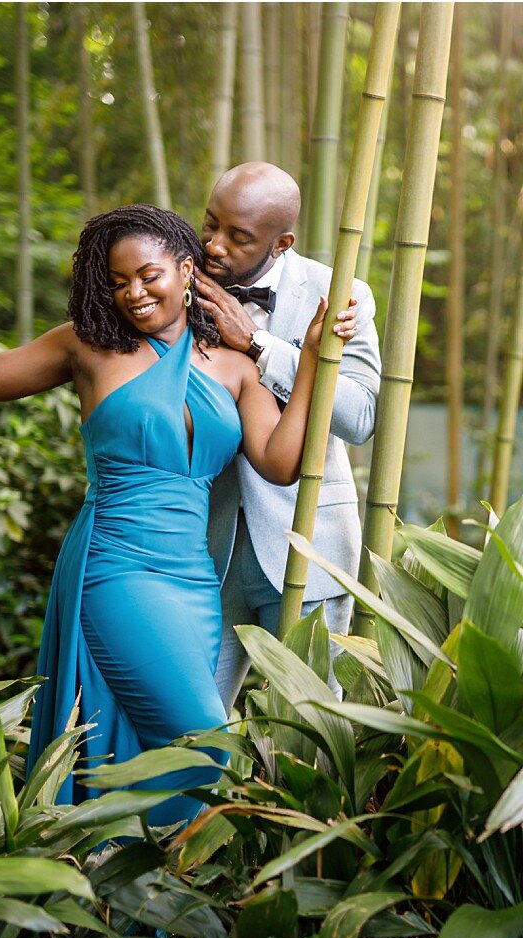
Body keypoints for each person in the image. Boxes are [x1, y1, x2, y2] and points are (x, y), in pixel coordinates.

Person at [0, 189, 356, 825]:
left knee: (149, 745)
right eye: (117, 282)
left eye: (148, 275)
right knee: (206, 745)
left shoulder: (232, 363)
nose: (133, 293)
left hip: (193, 580)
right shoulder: (86, 346)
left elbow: (280, 462)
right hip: (116, 568)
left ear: (187, 270)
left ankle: (132, 898)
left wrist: (309, 359)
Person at [192, 162, 381, 709]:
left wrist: (260, 346)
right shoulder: (180, 281)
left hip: (310, 540)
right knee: (193, 719)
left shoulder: (340, 292)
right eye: (210, 224)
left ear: (282, 243)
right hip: (205, 546)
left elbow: (362, 416)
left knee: (315, 720)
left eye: (238, 236)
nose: (215, 245)